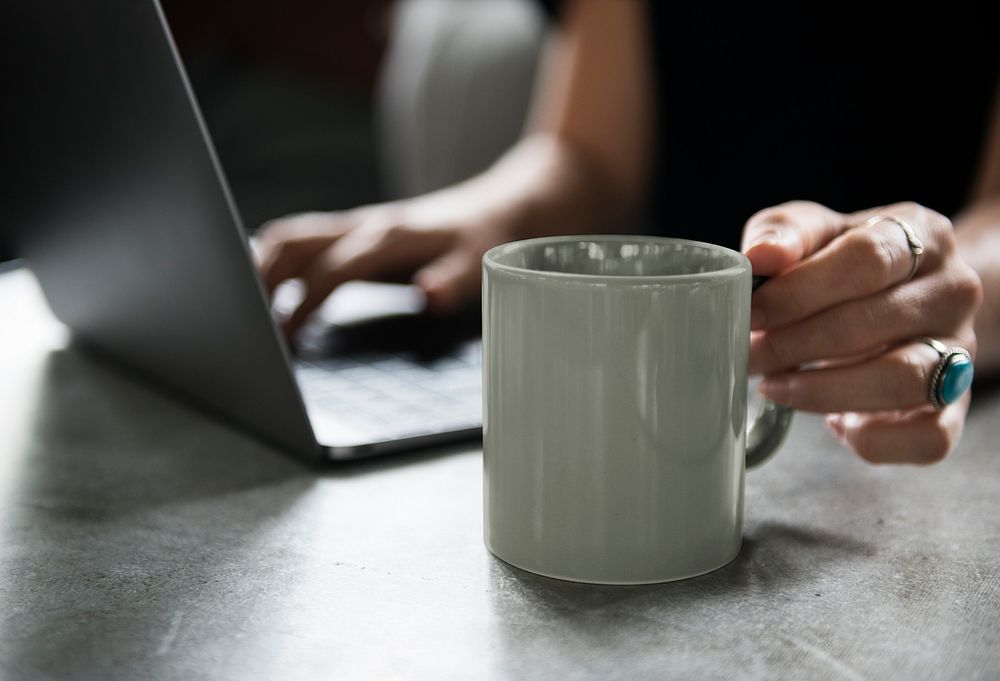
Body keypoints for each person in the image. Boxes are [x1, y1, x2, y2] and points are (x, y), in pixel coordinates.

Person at [255, 1, 1000, 465]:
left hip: (896, 421)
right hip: (671, 386)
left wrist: (935, 284)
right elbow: (589, 156)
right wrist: (482, 214)